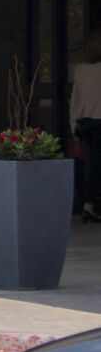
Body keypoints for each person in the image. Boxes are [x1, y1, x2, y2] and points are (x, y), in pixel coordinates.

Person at [72, 31, 101, 222]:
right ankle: (90, 206)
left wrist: (73, 125)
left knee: (93, 165)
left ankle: (88, 206)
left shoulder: (81, 69)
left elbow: (75, 99)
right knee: (96, 166)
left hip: (87, 123)